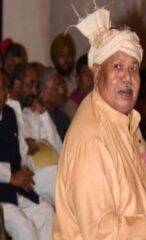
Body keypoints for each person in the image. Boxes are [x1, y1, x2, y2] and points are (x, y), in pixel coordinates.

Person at [53, 8, 146, 239]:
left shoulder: (125, 120)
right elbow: (99, 233)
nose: (127, 77)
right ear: (97, 73)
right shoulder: (92, 138)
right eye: (118, 66)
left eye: (134, 68)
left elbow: (139, 190)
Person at [0, 70, 54, 240]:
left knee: (46, 213)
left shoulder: (9, 113)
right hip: (2, 191)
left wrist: (25, 169)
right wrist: (10, 176)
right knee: (26, 229)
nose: (0, 93)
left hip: (17, 187)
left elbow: (22, 150)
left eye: (2, 88)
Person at [38, 67, 70, 141]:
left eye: (62, 85)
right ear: (44, 93)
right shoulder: (37, 120)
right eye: (57, 88)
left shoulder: (63, 117)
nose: (62, 91)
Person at [63, 54, 94, 119]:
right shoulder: (71, 106)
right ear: (77, 77)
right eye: (86, 74)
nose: (92, 78)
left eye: (94, 74)